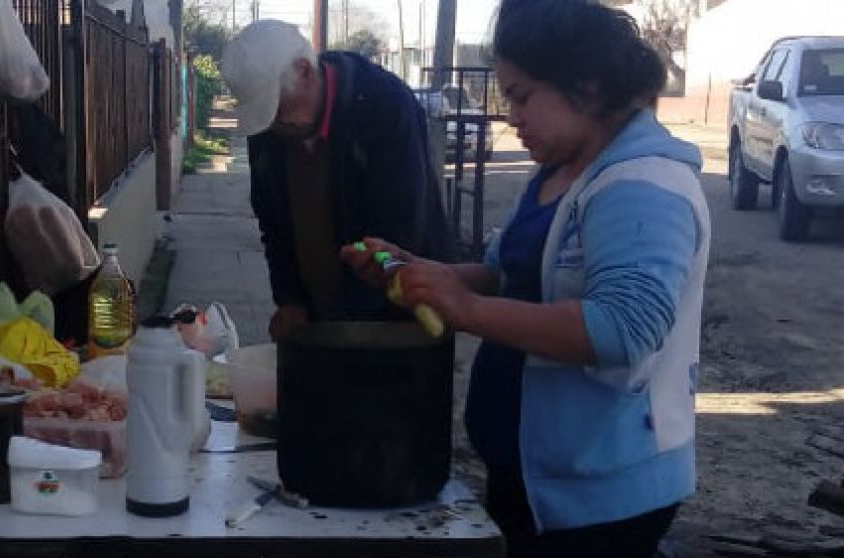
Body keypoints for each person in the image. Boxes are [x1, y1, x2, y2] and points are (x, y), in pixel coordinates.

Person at [341, 0, 711, 556]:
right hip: (538, 474)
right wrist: (423, 272)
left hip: (603, 495)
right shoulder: (562, 170)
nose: (510, 115)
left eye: (521, 96)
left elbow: (622, 330)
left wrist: (466, 311)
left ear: (584, 88)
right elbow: (510, 275)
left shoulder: (640, 184)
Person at [221, 20, 450, 341]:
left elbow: (398, 235)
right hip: (321, 321)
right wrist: (291, 300)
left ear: (304, 70)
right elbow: (274, 227)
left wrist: (337, 328)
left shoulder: (384, 105)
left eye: (275, 108)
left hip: (400, 324)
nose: (273, 123)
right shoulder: (270, 129)